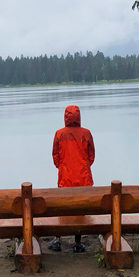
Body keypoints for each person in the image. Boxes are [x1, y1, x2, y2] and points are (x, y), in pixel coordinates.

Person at [49, 104, 95, 253]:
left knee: (61, 208)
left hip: (65, 178)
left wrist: (62, 166)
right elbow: (91, 156)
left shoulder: (59, 134)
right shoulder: (86, 133)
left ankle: (57, 240)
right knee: (80, 210)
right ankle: (77, 243)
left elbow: (55, 156)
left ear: (65, 117)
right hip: (83, 178)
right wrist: (83, 166)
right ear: (79, 116)